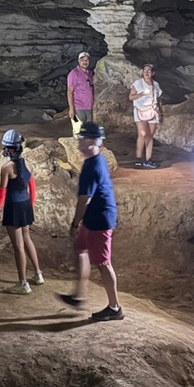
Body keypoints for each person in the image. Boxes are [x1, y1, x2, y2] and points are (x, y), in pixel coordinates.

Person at [57, 122, 123, 322]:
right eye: (80, 137)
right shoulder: (95, 161)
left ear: (94, 141)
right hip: (93, 216)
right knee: (81, 249)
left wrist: (75, 222)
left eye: (84, 138)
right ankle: (79, 295)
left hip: (100, 219)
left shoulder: (92, 166)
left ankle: (115, 307)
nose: (80, 141)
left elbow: (85, 199)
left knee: (103, 263)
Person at [0, 129, 44, 294]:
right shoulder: (28, 165)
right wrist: (31, 206)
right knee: (27, 239)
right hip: (25, 205)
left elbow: (2, 193)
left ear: (7, 149)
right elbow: (33, 188)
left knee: (18, 247)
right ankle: (38, 274)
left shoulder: (6, 168)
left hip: (14, 208)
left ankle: (23, 284)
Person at [129, 63, 163, 169]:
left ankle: (148, 160)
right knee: (143, 134)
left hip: (152, 111)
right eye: (145, 71)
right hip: (140, 110)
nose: (146, 73)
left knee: (150, 136)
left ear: (153, 73)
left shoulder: (156, 85)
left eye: (149, 71)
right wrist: (141, 94)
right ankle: (138, 158)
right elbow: (131, 97)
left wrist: (161, 112)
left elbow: (159, 99)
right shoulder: (138, 83)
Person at [67, 51, 94, 133]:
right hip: (78, 108)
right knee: (78, 128)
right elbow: (70, 92)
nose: (85, 62)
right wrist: (71, 109)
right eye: (82, 60)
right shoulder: (74, 74)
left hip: (89, 107)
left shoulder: (89, 73)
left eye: (87, 60)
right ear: (79, 61)